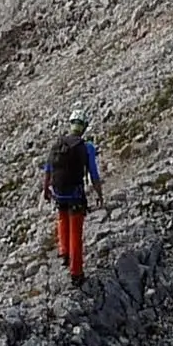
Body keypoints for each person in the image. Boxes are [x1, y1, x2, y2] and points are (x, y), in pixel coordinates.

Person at [39, 111, 105, 281]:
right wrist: (99, 194)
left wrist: (46, 190)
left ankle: (63, 253)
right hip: (75, 194)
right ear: (84, 127)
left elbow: (48, 169)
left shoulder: (57, 144)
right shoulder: (87, 147)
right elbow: (93, 174)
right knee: (76, 231)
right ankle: (76, 273)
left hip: (59, 192)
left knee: (62, 218)